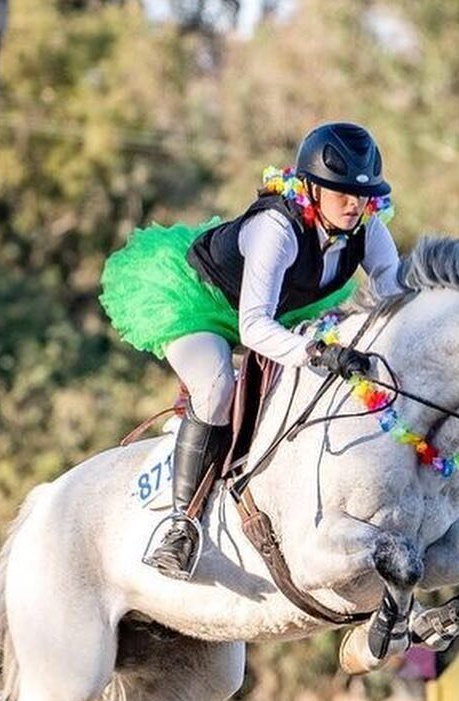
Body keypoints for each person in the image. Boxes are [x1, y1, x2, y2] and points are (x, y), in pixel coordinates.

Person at [100, 121, 403, 579]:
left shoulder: (367, 227)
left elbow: (395, 299)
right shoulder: (275, 229)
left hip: (280, 308)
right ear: (311, 189)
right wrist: (317, 354)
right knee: (216, 385)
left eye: (361, 195)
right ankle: (180, 525)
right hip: (199, 302)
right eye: (339, 192)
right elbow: (254, 326)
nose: (353, 203)